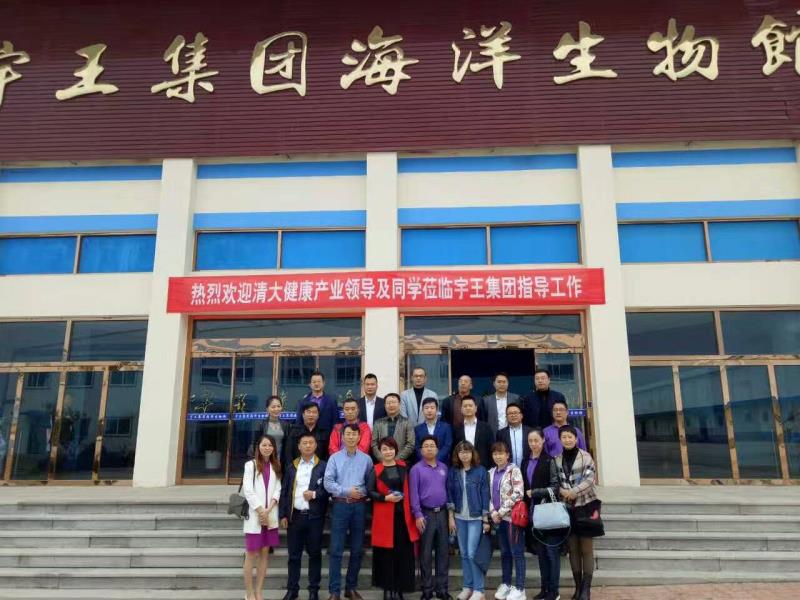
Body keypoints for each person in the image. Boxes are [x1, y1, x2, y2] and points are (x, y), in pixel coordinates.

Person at [323, 424, 374, 600]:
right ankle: (334, 591)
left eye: (354, 434)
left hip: (359, 506)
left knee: (357, 549)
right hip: (340, 505)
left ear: (359, 437)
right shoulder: (334, 458)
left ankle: (350, 588)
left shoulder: (367, 459)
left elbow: (370, 484)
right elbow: (328, 483)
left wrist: (361, 492)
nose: (351, 437)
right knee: (336, 549)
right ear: (342, 437)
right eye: (348, 434)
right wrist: (346, 491)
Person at [279, 433, 330, 600]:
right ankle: (292, 589)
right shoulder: (291, 467)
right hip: (295, 517)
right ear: (299, 446)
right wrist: (283, 515)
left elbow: (328, 489)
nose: (308, 445)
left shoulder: (323, 466)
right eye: (304, 443)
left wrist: (314, 494)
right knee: (294, 556)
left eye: (311, 443)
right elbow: (284, 492)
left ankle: (313, 590)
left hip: (315, 517)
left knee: (315, 554)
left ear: (315, 445)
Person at [367, 437, 419, 600]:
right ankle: (387, 589)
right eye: (384, 449)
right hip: (384, 517)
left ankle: (400, 589)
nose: (388, 452)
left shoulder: (404, 467)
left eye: (391, 449)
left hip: (403, 518)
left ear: (396, 450)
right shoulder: (376, 469)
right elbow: (369, 491)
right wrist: (385, 498)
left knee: (402, 554)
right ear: (380, 452)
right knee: (386, 555)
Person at [556, 425, 600, 600]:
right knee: (573, 549)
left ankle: (586, 589)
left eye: (570, 437)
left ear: (576, 438)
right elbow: (557, 480)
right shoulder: (557, 459)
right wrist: (563, 491)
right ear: (560, 439)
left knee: (586, 548)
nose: (567, 440)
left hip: (586, 505)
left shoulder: (586, 456)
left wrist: (573, 492)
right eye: (564, 437)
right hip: (568, 508)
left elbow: (590, 479)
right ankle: (578, 587)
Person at [446, 441, 490, 600]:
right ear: (457, 454)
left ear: (472, 453)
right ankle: (467, 587)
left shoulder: (480, 471)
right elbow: (449, 493)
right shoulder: (453, 471)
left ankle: (479, 590)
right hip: (459, 517)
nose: (464, 455)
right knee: (464, 554)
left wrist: (485, 518)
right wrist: (451, 517)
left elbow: (485, 493)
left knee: (472, 554)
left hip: (475, 517)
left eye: (467, 451)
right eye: (461, 452)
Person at [521, 429, 561, 600]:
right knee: (541, 554)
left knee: (551, 553)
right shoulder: (525, 461)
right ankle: (544, 589)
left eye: (536, 440)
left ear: (543, 440)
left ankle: (554, 591)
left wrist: (536, 492)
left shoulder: (549, 460)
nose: (533, 444)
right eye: (530, 441)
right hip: (533, 512)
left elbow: (555, 487)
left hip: (548, 512)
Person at [409, 435, 451, 600]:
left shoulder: (444, 467)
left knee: (443, 553)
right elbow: (413, 494)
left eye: (432, 445)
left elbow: (447, 491)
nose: (429, 448)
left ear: (437, 449)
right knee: (425, 553)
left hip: (442, 513)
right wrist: (417, 514)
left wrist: (450, 515)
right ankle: (427, 589)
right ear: (421, 450)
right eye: (426, 446)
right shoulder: (416, 469)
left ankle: (442, 589)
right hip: (425, 514)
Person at [242, 434, 282, 600]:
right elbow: (248, 491)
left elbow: (278, 489)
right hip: (255, 516)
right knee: (251, 555)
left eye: (270, 445)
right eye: (264, 445)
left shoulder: (276, 465)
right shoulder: (250, 465)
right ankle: (249, 593)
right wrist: (261, 511)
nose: (267, 448)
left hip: (270, 516)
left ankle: (259, 592)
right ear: (258, 447)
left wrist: (268, 510)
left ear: (274, 448)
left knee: (265, 554)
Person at [488, 441, 526, 600]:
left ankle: (520, 588)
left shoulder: (514, 470)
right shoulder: (490, 472)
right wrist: (493, 512)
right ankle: (506, 584)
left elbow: (518, 493)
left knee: (517, 552)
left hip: (511, 519)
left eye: (501, 453)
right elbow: (487, 495)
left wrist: (502, 511)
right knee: (504, 553)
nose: (498, 456)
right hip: (498, 519)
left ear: (507, 455)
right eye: (495, 453)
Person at [372, 393, 415, 462]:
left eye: (394, 402)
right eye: (388, 403)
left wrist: (396, 460)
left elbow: (410, 444)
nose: (391, 405)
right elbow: (374, 444)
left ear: (399, 404)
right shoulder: (378, 423)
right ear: (385, 405)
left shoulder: (407, 422)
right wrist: (382, 459)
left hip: (402, 462)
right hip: (382, 462)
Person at [452, 396, 494, 469]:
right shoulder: (456, 429)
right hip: (463, 467)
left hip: (483, 467)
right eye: (465, 406)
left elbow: (491, 448)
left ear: (476, 408)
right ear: (461, 409)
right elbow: (455, 450)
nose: (468, 408)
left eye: (470, 405)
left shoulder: (486, 427)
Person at [284, 402, 330, 468]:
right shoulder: (294, 431)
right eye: (308, 412)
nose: (311, 415)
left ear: (318, 415)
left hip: (318, 469)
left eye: (314, 412)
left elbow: (326, 455)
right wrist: (291, 470)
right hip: (297, 468)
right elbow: (288, 454)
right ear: (303, 414)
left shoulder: (324, 433)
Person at [480, 373, 520, 437]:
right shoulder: (486, 400)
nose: (502, 384)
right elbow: (483, 420)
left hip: (512, 433)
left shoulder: (515, 398)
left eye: (504, 382)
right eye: (499, 382)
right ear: (494, 384)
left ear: (508, 383)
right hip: (493, 434)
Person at [414, 397, 453, 464]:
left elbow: (447, 446)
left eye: (432, 408)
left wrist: (435, 460)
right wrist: (426, 461)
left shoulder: (446, 427)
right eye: (426, 408)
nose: (429, 410)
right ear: (422, 410)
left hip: (442, 464)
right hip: (423, 464)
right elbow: (417, 448)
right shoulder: (417, 429)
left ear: (437, 410)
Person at [262, 395, 291, 463]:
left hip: (280, 460)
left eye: (278, 406)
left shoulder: (285, 424)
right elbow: (256, 444)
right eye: (273, 407)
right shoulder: (261, 424)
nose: (276, 409)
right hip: (265, 460)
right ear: (267, 409)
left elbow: (287, 445)